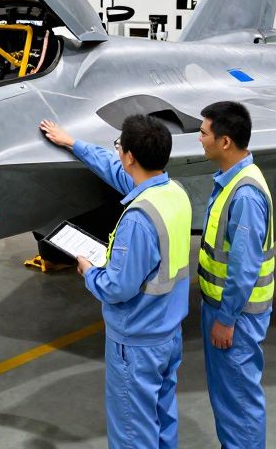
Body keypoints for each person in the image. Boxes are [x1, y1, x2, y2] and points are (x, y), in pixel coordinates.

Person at [40, 115, 191, 449]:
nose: (118, 154)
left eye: (119, 147)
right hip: (167, 333)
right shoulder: (173, 194)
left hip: (136, 342)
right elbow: (115, 170)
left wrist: (89, 270)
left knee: (132, 434)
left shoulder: (138, 219)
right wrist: (73, 144)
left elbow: (117, 288)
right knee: (162, 420)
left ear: (131, 157)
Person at [197, 100, 275, 449]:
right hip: (225, 309)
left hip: (237, 317)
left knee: (239, 406)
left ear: (224, 141)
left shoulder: (244, 194)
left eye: (203, 133)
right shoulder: (234, 179)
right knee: (229, 402)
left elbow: (244, 268)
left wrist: (226, 318)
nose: (200, 139)